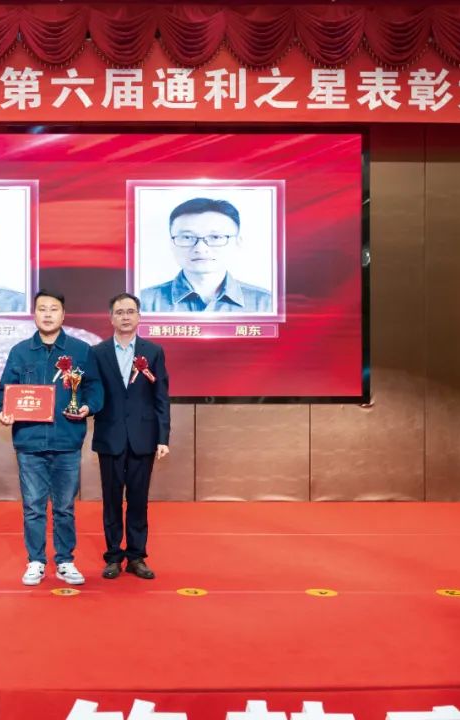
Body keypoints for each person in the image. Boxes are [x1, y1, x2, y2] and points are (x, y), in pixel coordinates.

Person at [0, 290, 103, 586]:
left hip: (67, 440)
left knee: (64, 507)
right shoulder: (20, 351)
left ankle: (65, 561)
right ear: (34, 314)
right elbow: (5, 390)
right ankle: (36, 561)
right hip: (29, 442)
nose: (47, 314)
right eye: (41, 308)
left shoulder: (81, 350)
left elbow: (94, 388)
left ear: (63, 315)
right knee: (33, 506)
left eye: (53, 309)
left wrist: (88, 406)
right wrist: (5, 411)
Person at [90, 293, 170, 580]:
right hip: (110, 435)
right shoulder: (97, 353)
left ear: (139, 316)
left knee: (138, 499)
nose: (125, 316)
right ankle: (113, 556)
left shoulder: (153, 351)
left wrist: (163, 437)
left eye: (130, 311)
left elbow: (161, 397)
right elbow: (93, 391)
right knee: (111, 500)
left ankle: (137, 556)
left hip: (143, 437)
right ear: (111, 317)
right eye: (119, 312)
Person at [140, 197, 272, 313]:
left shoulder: (266, 304)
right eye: (187, 237)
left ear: (238, 243)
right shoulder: (142, 303)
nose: (200, 248)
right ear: (171, 243)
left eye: (215, 237)